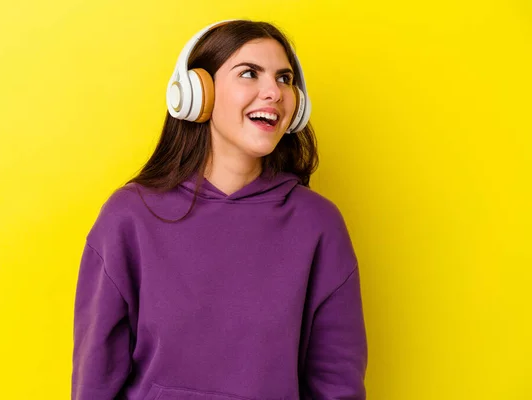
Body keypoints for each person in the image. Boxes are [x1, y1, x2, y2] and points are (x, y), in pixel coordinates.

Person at [71, 19, 367, 400]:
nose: (273, 92)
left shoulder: (318, 224)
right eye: (249, 74)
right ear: (199, 92)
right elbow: (96, 378)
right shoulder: (129, 217)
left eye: (284, 78)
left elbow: (336, 382)